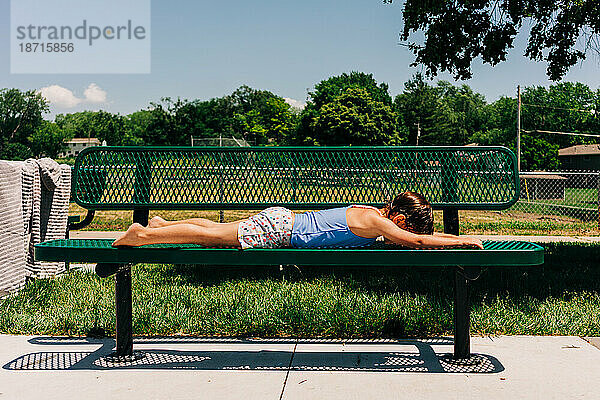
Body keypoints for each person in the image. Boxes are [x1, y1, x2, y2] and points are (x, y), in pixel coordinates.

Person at [112, 191, 483, 249]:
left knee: (216, 229)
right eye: (409, 226)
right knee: (210, 238)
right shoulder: (381, 223)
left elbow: (410, 238)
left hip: (284, 222)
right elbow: (416, 242)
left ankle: (159, 225)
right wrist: (459, 240)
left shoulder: (371, 213)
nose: (409, 234)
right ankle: (143, 235)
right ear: (399, 217)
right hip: (282, 231)